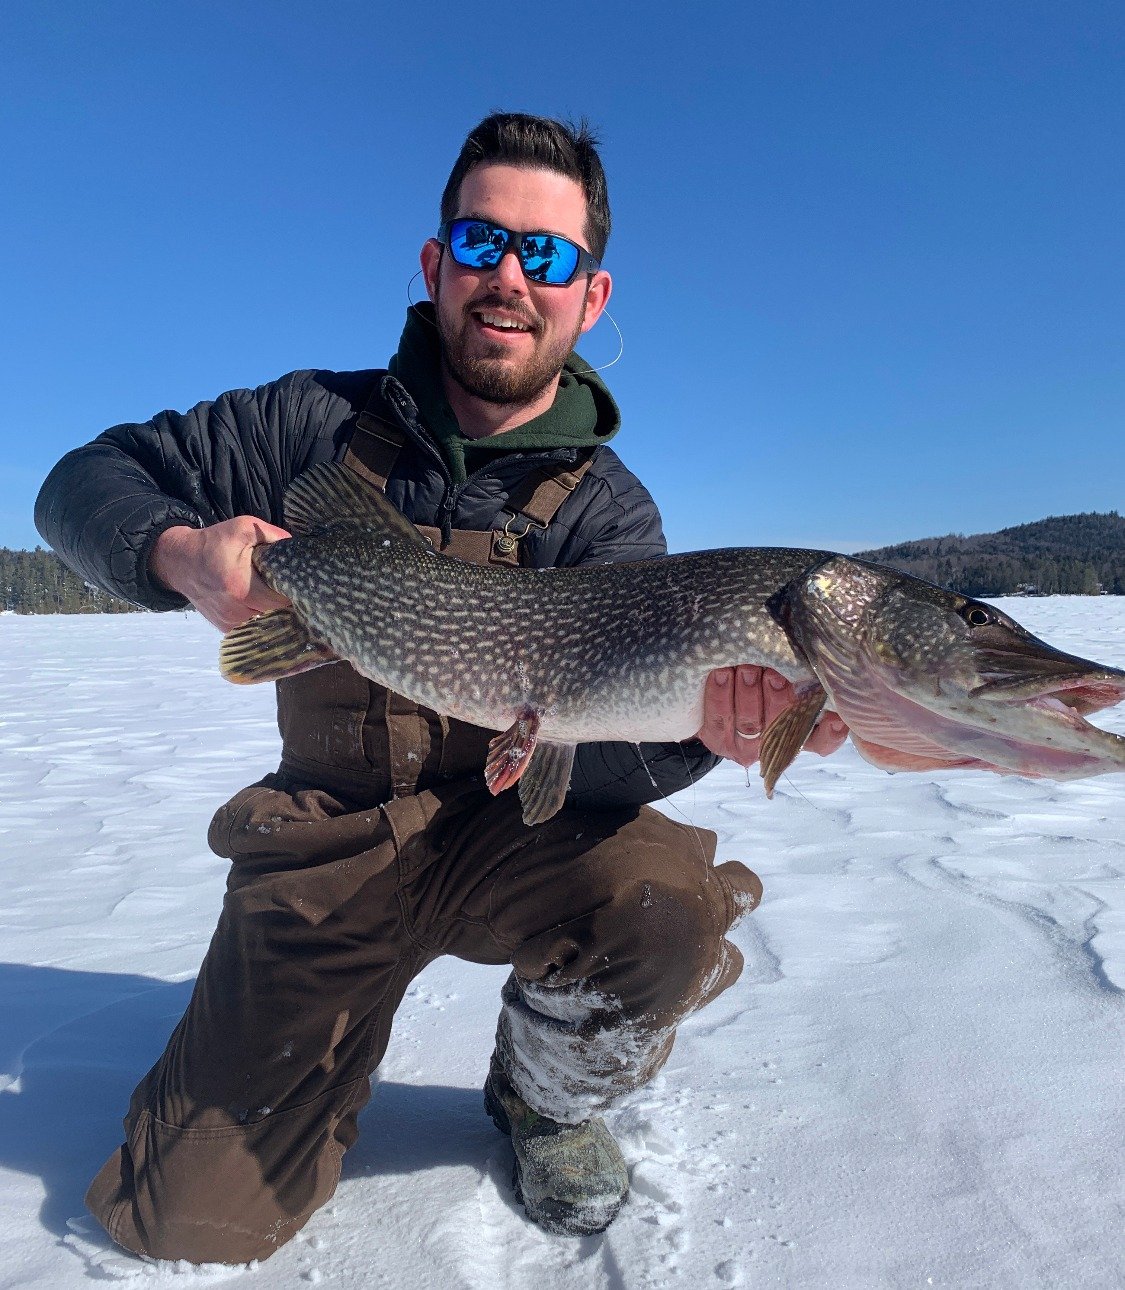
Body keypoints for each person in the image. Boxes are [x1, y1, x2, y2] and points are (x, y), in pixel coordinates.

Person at [35, 112, 847, 1264]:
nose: (511, 277)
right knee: (184, 1218)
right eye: (482, 243)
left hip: (501, 839)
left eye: (548, 255)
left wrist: (707, 731)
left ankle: (541, 1097)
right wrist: (175, 552)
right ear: (436, 264)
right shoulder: (307, 424)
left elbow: (601, 767)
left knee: (662, 906)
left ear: (591, 296)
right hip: (326, 842)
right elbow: (81, 481)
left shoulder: (610, 515)